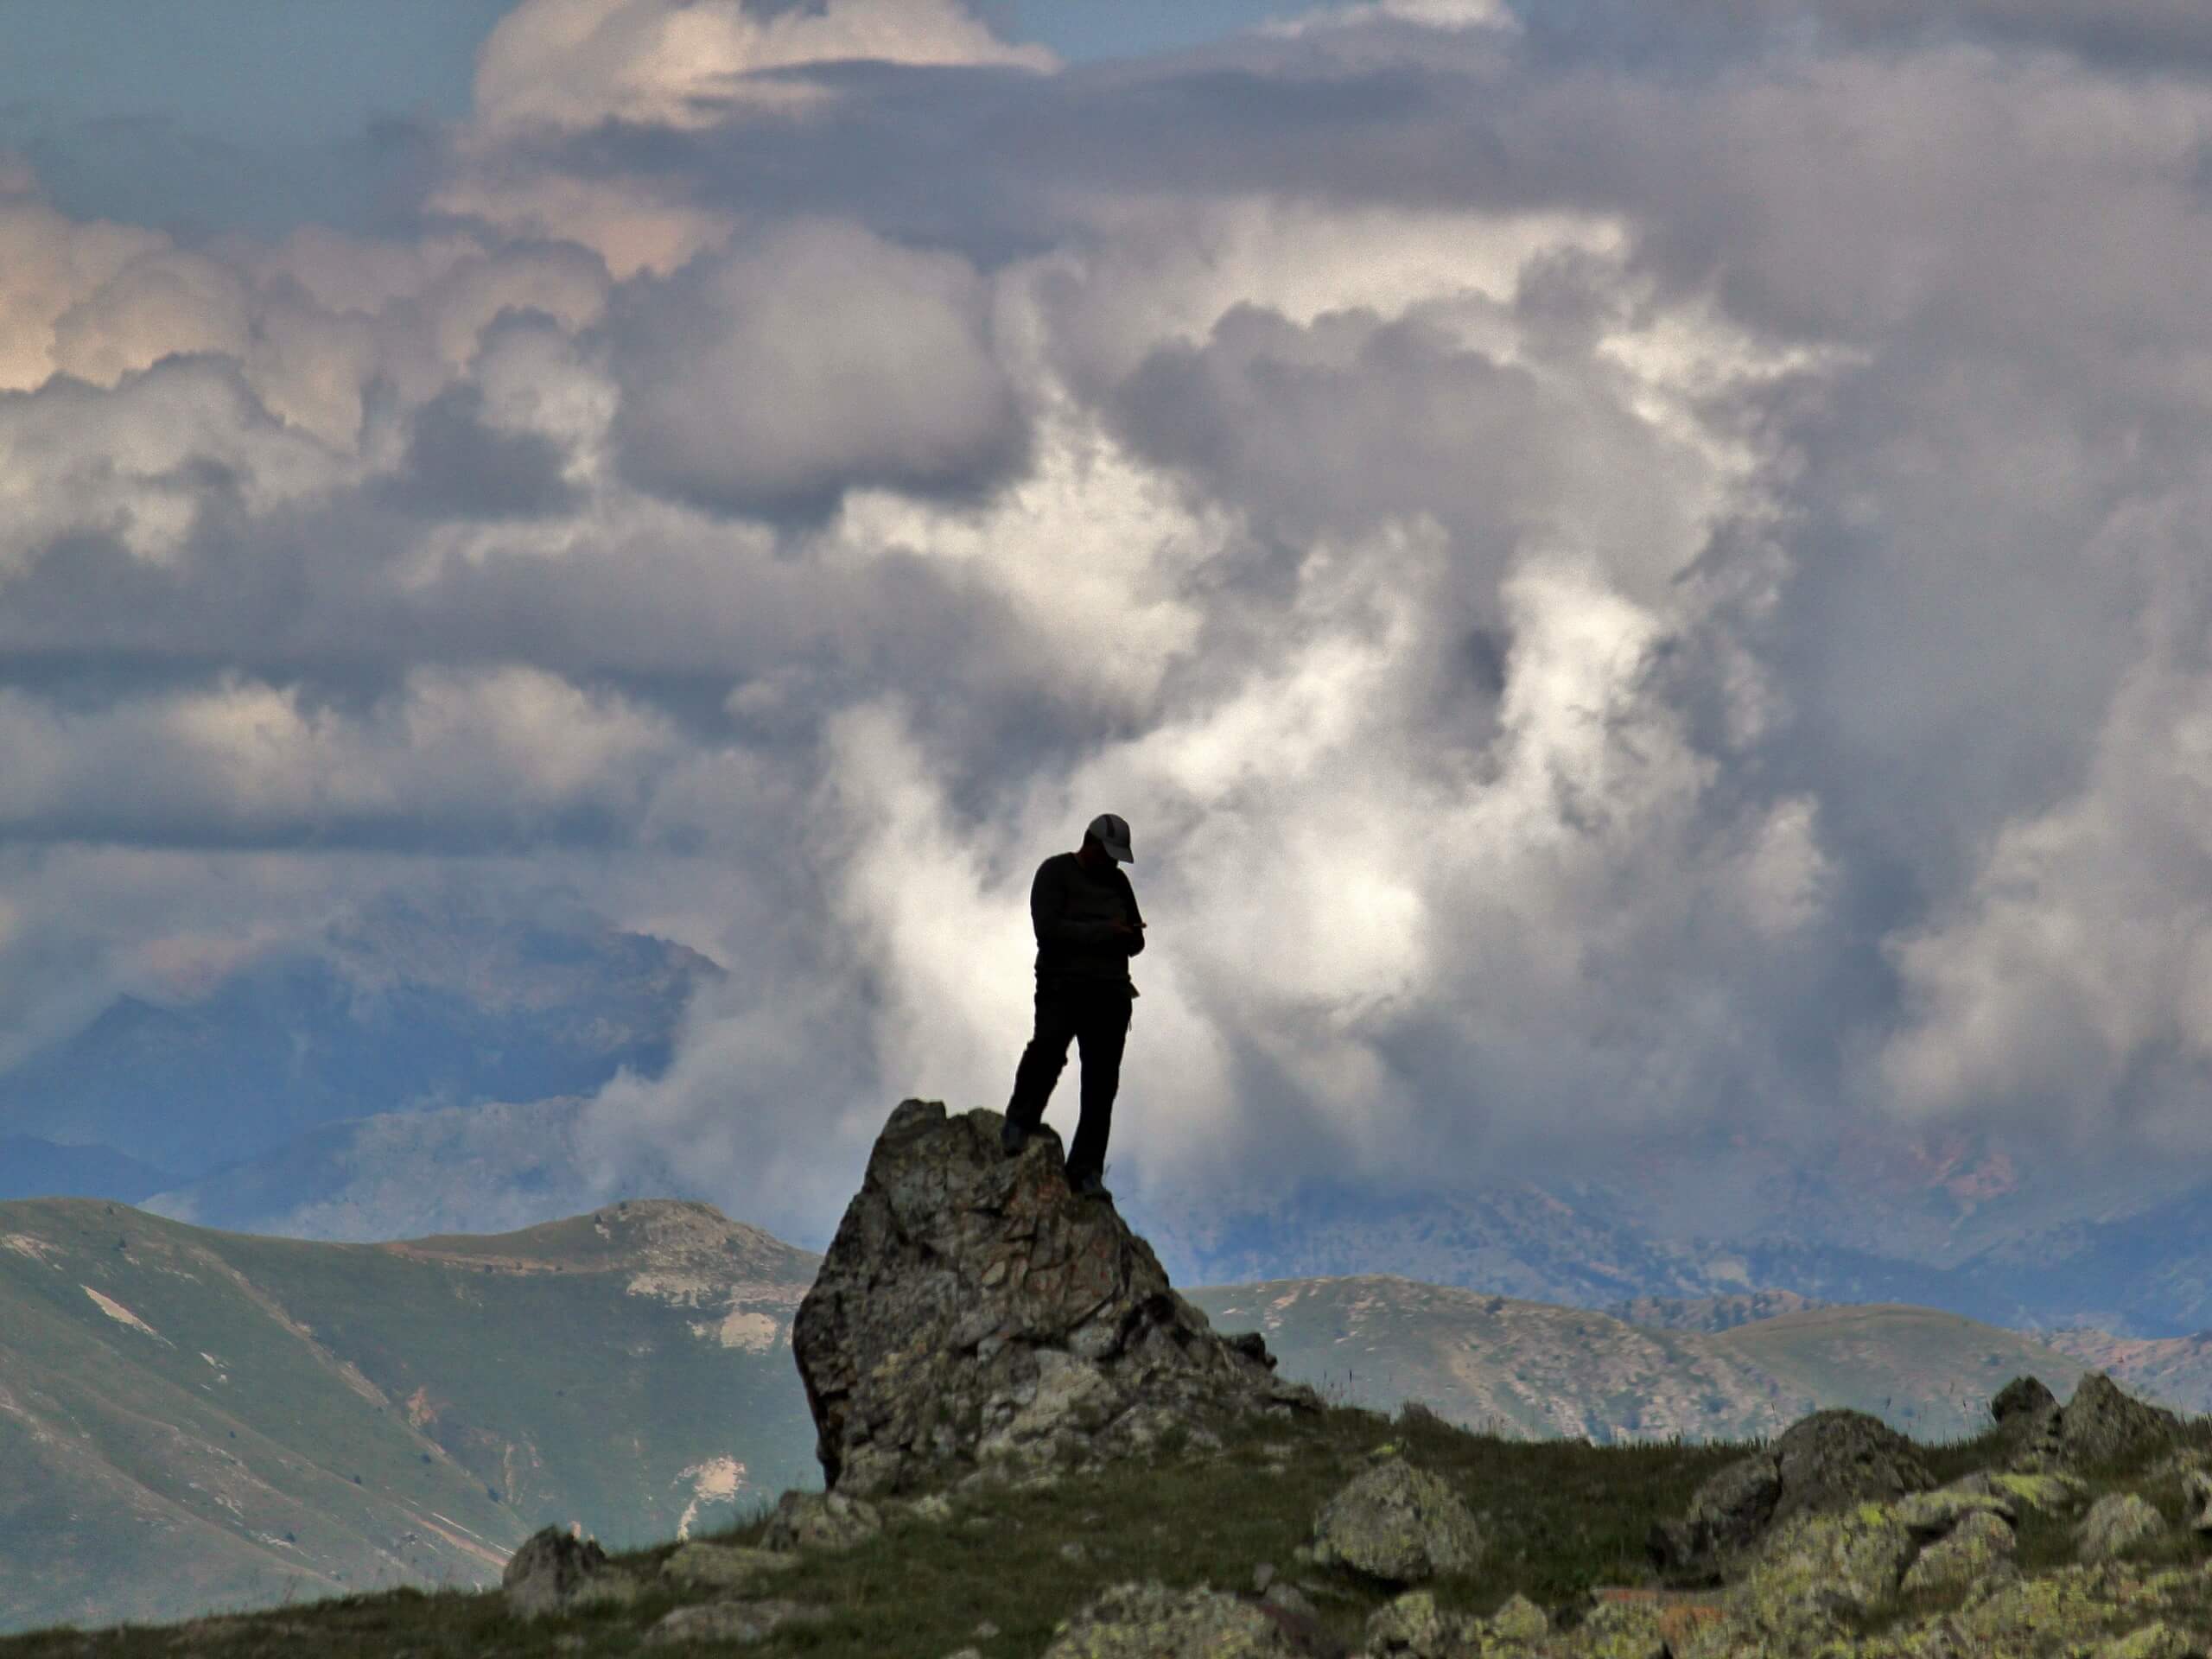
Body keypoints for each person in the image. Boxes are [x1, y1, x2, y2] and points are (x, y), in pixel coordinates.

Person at [1001, 812, 1145, 1197]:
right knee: (1047, 1051)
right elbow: (1048, 932)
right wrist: (1105, 932)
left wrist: (1129, 937)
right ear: (1091, 844)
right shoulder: (1054, 873)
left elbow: (1137, 939)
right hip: (1061, 986)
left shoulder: (1118, 882)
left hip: (1111, 994)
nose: (1114, 863)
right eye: (1109, 853)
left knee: (1101, 1085)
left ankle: (1086, 1172)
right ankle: (1018, 1124)